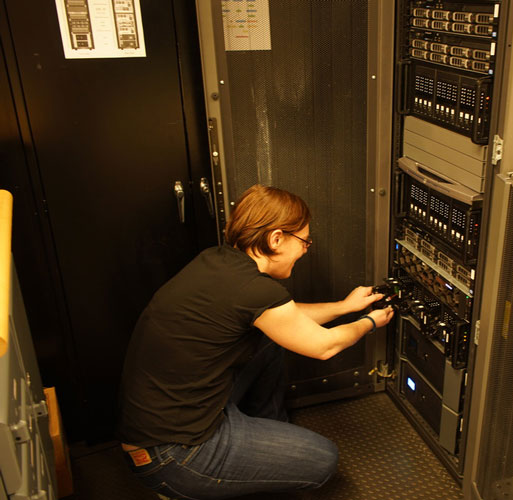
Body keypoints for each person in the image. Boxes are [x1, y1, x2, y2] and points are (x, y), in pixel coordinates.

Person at [116, 184, 394, 499]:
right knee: (323, 459)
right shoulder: (255, 289)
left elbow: (282, 318)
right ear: (276, 239)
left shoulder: (218, 260)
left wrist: (345, 307)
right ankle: (204, 479)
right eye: (304, 241)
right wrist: (370, 322)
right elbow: (324, 346)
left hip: (157, 428)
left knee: (268, 340)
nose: (305, 249)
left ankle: (266, 435)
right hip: (174, 456)